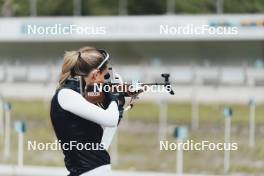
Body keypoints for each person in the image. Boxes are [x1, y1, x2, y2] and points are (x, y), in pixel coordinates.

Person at [50, 46, 124, 176]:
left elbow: (101, 145)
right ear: (95, 74)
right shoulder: (66, 95)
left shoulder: (76, 96)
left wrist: (119, 107)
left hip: (94, 170)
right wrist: (112, 97)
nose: (105, 81)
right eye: (105, 76)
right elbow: (110, 119)